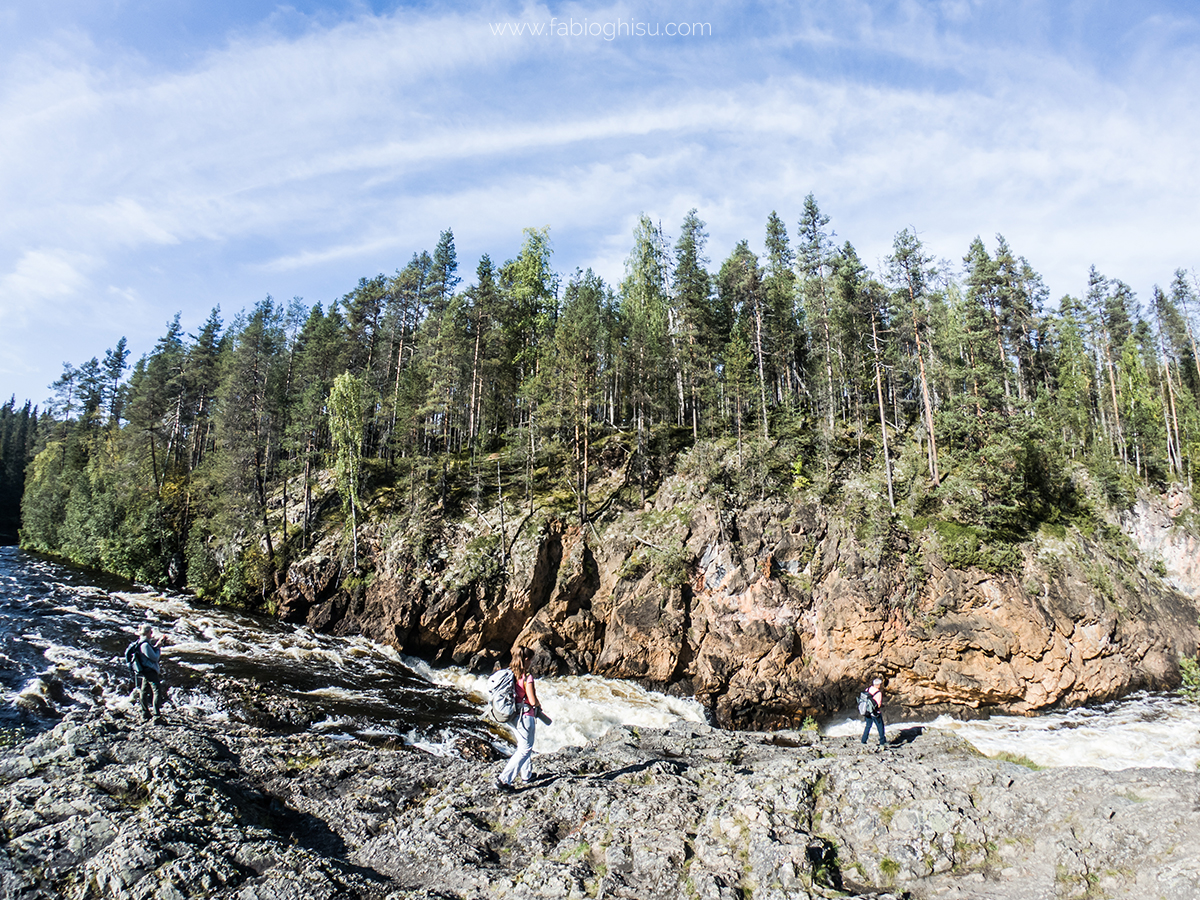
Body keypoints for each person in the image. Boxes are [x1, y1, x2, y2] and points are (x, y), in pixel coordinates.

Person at [497, 646, 541, 791]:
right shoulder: (527, 677)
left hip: (512, 715)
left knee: (523, 745)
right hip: (525, 716)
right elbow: (532, 700)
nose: (532, 663)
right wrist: (538, 705)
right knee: (525, 749)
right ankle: (504, 780)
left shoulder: (510, 674)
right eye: (531, 660)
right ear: (526, 659)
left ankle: (526, 775)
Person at [125, 624, 167, 721]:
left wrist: (157, 645)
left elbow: (149, 653)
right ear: (147, 633)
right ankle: (157, 715)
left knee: (144, 691)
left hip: (144, 671)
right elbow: (155, 657)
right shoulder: (145, 645)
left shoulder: (140, 642)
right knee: (157, 691)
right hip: (150, 672)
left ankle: (145, 713)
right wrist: (158, 648)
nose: (151, 634)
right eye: (150, 632)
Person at [861, 676, 886, 746]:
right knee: (880, 726)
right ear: (879, 684)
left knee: (868, 726)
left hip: (867, 712)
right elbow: (878, 705)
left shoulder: (867, 689)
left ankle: (863, 740)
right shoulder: (878, 693)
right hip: (875, 713)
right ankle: (882, 742)